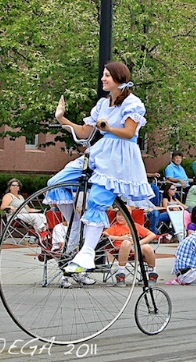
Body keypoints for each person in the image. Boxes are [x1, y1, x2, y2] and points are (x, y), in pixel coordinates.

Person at [46, 61, 154, 279]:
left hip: (119, 158)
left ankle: (86, 252)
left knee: (97, 199)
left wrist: (109, 128)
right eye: (103, 75)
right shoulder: (103, 104)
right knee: (57, 182)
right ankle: (75, 224)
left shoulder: (133, 103)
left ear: (118, 78)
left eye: (107, 75)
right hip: (100, 152)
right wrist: (61, 118)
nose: (103, 79)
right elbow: (85, 132)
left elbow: (130, 132)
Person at [100, 208, 159, 288]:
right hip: (120, 251)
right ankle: (120, 273)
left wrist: (138, 243)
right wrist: (121, 238)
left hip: (135, 250)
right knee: (126, 243)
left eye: (123, 215)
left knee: (147, 247)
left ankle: (152, 273)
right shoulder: (114, 227)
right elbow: (104, 235)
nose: (120, 217)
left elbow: (152, 235)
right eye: (118, 215)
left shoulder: (134, 226)